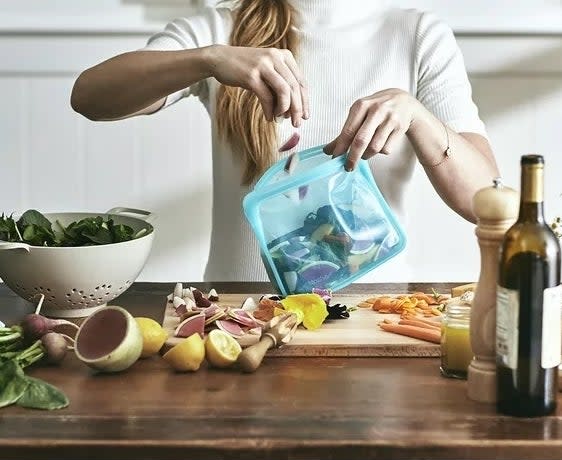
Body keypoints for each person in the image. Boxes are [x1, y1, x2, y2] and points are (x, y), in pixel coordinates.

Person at [70, 0, 499, 283]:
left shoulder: (418, 35)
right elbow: (90, 97)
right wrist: (209, 58)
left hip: (374, 317)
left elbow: (484, 199)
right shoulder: (220, 26)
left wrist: (418, 117)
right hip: (239, 320)